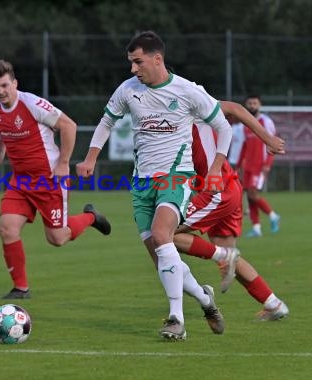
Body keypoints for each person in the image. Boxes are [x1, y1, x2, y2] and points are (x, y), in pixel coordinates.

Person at [77, 31, 234, 341]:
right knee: (162, 256)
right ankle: (205, 299)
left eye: (138, 62)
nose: (133, 69)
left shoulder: (187, 91)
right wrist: (90, 158)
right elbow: (107, 122)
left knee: (164, 236)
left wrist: (215, 170)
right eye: (131, 63)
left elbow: (223, 127)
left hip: (177, 177)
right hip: (141, 184)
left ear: (156, 59)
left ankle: (176, 319)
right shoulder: (128, 90)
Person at [0, 59, 111, 300]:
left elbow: (69, 126)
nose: (0, 91)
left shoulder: (32, 104)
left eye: (5, 85)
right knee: (7, 228)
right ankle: (21, 288)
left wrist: (63, 163)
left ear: (14, 83)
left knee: (57, 238)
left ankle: (91, 217)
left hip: (48, 180)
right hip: (20, 182)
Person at [173, 100, 289, 321]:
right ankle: (273, 304)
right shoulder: (168, 110)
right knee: (227, 258)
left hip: (217, 191)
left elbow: (234, 109)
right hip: (226, 187)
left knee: (163, 233)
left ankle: (199, 292)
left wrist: (267, 139)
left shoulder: (188, 99)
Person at [236, 94, 281, 237]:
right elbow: (244, 146)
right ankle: (256, 228)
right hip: (248, 166)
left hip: (259, 165)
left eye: (255, 103)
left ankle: (273, 215)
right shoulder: (246, 124)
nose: (252, 106)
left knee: (253, 194)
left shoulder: (266, 121)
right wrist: (239, 165)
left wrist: (268, 164)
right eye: (250, 103)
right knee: (249, 196)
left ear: (259, 105)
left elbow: (273, 143)